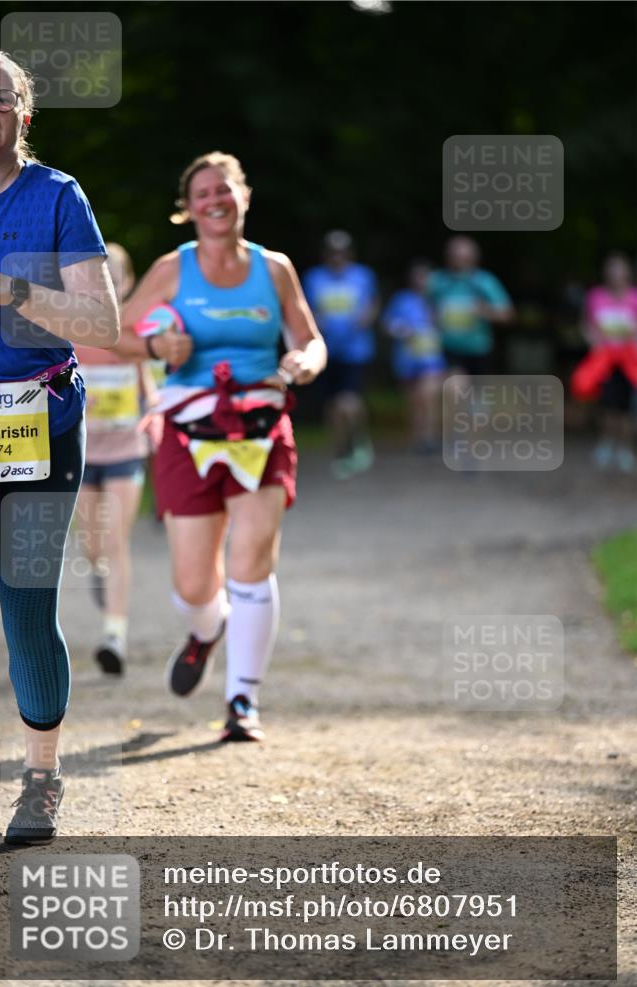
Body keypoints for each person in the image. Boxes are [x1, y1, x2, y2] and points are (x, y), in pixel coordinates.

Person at [113, 151, 326, 741]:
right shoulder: (171, 270)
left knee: (251, 563)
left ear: (244, 197)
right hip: (189, 432)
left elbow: (310, 339)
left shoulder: (275, 268)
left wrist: (302, 362)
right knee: (193, 584)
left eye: (224, 190)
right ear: (189, 209)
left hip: (261, 427)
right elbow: (121, 334)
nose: (215, 200)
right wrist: (159, 351)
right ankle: (207, 630)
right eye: (203, 193)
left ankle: (242, 702)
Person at [0, 48, 119, 850]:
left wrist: (17, 288)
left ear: (22, 115)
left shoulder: (58, 196)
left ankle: (40, 783)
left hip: (43, 421)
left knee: (26, 603)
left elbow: (104, 325)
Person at [75, 243, 155, 674]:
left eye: (117, 278)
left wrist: (156, 416)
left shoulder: (136, 330)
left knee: (116, 540)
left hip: (126, 450)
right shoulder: (76, 329)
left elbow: (150, 385)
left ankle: (114, 635)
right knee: (93, 548)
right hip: (84, 454)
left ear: (128, 284)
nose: (110, 286)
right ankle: (100, 576)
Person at [302, 231, 379, 478]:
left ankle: (358, 439)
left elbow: (372, 304)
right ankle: (342, 448)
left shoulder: (363, 276)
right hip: (326, 350)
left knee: (348, 400)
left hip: (355, 351)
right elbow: (306, 308)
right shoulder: (314, 278)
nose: (338, 257)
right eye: (333, 253)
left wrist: (364, 319)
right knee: (333, 405)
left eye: (342, 252)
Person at [571, 253, 637, 472]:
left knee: (627, 406)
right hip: (604, 359)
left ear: (627, 272)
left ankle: (624, 447)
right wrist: (592, 338)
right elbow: (586, 324)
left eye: (620, 269)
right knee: (607, 403)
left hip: (630, 360)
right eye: (611, 269)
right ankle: (607, 443)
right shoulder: (595, 296)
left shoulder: (634, 297)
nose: (615, 274)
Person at [382, 259, 446, 453]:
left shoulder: (439, 300)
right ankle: (419, 439)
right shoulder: (402, 299)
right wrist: (403, 330)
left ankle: (430, 437)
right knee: (415, 401)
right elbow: (388, 324)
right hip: (407, 359)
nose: (422, 280)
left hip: (432, 359)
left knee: (429, 396)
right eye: (418, 276)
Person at [427, 236, 514, 375]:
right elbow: (421, 308)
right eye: (454, 256)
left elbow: (507, 315)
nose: (458, 261)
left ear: (474, 258)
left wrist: (484, 311)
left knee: (473, 394)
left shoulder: (485, 282)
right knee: (455, 386)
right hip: (444, 348)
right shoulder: (436, 280)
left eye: (463, 257)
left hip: (478, 350)